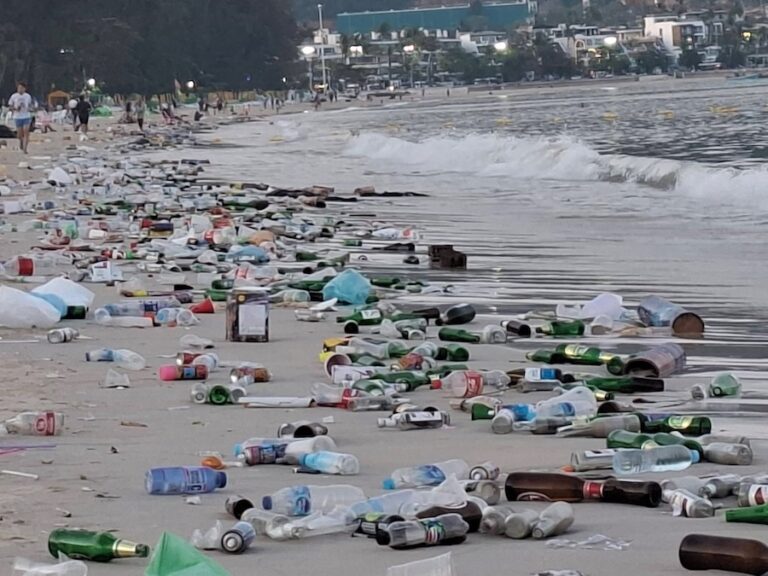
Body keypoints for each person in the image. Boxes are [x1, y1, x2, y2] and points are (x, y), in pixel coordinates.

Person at [8, 81, 33, 153]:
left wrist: (31, 108)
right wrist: (15, 109)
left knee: (26, 131)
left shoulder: (28, 96)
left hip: (26, 116)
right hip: (17, 116)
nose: (20, 89)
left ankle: (25, 149)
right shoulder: (14, 96)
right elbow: (10, 106)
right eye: (19, 88)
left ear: (24, 89)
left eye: (22, 88)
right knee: (19, 134)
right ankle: (21, 141)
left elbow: (30, 105)